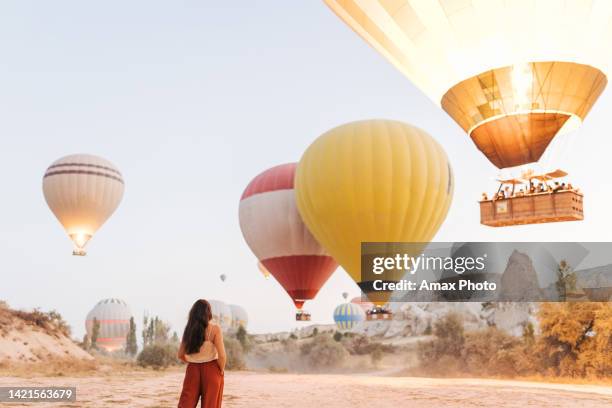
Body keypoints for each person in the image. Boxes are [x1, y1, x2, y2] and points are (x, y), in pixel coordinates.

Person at [178, 299, 226, 408]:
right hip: (212, 370)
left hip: (192, 370)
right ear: (208, 312)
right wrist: (221, 370)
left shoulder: (189, 330)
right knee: (211, 405)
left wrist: (194, 361)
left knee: (186, 404)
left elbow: (180, 354)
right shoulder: (215, 329)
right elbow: (222, 356)